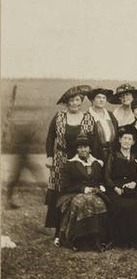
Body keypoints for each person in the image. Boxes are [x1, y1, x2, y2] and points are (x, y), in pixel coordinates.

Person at [45, 85, 98, 246]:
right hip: (61, 159)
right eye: (71, 100)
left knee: (79, 191)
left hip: (81, 160)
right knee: (60, 194)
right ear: (66, 103)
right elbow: (50, 137)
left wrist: (94, 160)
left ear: (81, 101)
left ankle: (78, 231)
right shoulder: (59, 117)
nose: (75, 103)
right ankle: (58, 232)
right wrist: (49, 156)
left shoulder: (88, 118)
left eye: (78, 100)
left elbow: (94, 141)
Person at [56, 133, 108, 251]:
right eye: (80, 147)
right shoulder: (70, 164)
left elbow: (101, 180)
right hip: (73, 194)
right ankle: (78, 241)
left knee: (99, 203)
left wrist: (101, 186)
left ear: (89, 148)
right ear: (77, 149)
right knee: (82, 202)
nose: (83, 149)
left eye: (85, 147)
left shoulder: (97, 163)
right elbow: (65, 186)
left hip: (95, 193)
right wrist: (82, 189)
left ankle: (97, 240)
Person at [104, 125, 137, 248]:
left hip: (132, 188)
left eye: (129, 139)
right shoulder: (113, 155)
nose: (127, 141)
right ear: (119, 140)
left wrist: (135, 183)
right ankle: (118, 240)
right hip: (115, 188)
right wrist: (115, 188)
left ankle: (133, 239)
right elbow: (107, 176)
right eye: (124, 138)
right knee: (120, 206)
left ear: (133, 142)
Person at [87, 88, 119, 161]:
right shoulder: (87, 116)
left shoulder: (110, 115)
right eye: (98, 97)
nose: (102, 100)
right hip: (95, 154)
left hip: (112, 153)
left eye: (104, 98)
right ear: (92, 100)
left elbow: (116, 133)